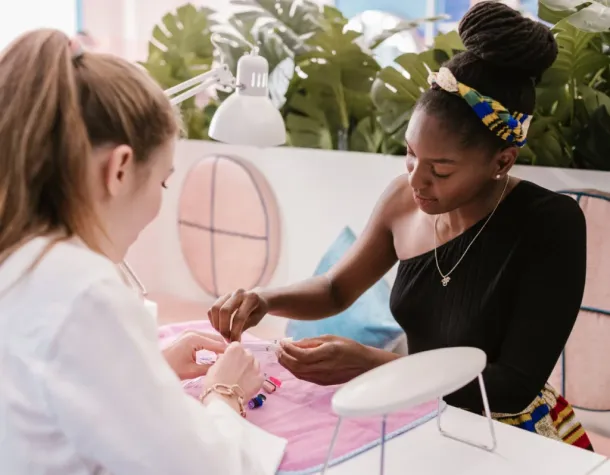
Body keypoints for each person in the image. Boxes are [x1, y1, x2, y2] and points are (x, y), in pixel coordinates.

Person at [209, 1, 594, 451]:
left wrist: (372, 365)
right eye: (410, 153)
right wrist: (264, 299)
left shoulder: (550, 225)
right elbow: (336, 290)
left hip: (510, 434)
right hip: (419, 411)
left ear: (502, 161)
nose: (416, 180)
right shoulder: (403, 199)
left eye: (441, 170)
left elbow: (511, 386)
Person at [0, 30, 276, 474]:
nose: (158, 204)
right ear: (120, 168)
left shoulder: (20, 259)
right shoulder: (82, 291)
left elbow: (51, 400)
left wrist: (152, 371)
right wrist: (225, 393)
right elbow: (202, 468)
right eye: (163, 182)